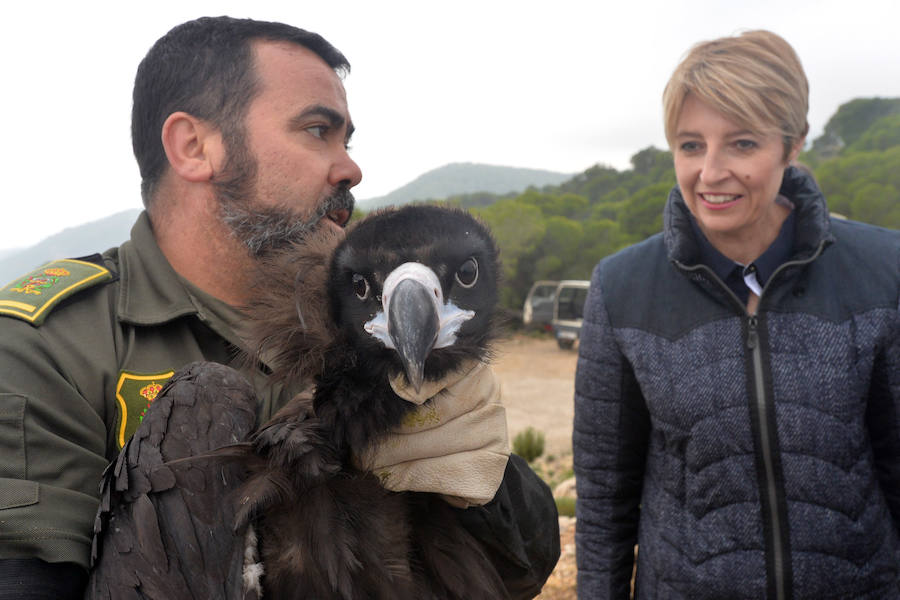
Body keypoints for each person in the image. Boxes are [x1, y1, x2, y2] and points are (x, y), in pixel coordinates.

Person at [0, 17, 559, 599]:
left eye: (348, 140)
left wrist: (484, 486)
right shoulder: (46, 348)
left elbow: (526, 566)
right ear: (194, 147)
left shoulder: (377, 310)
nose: (350, 167)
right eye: (318, 130)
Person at [573, 30, 900, 599]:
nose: (710, 172)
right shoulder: (621, 288)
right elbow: (604, 501)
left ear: (793, 145)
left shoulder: (883, 270)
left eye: (743, 144)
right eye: (691, 144)